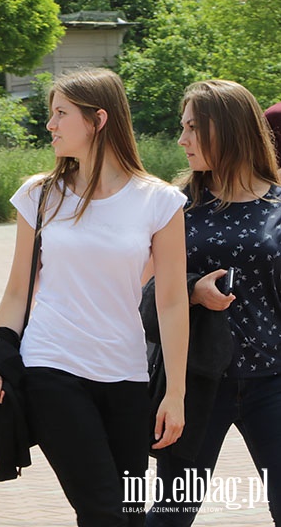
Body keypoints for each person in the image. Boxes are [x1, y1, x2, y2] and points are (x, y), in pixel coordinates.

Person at [0, 68, 189, 526]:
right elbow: (18, 290)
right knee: (103, 511)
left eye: (60, 114)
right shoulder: (39, 195)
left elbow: (171, 302)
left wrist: (175, 393)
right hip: (53, 367)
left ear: (98, 119)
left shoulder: (160, 201)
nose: (49, 125)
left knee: (128, 514)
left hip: (128, 375)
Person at [146, 80, 281, 525]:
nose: (181, 140)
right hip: (195, 382)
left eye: (192, 128)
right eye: (181, 127)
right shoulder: (175, 206)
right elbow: (143, 292)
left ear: (229, 129)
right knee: (170, 512)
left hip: (273, 383)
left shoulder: (278, 204)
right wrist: (191, 290)